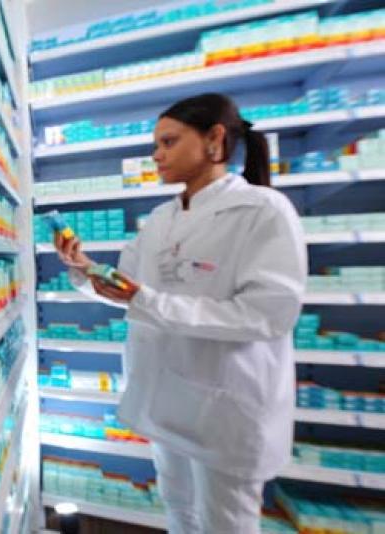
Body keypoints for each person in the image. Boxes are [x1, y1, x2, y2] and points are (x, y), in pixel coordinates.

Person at [55, 93, 307, 534]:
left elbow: (267, 315)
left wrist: (146, 300)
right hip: (165, 402)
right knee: (178, 510)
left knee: (225, 525)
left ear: (214, 140)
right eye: (156, 144)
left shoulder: (263, 211)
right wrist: (83, 268)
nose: (157, 155)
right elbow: (128, 289)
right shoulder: (160, 218)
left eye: (169, 142)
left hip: (224, 410)